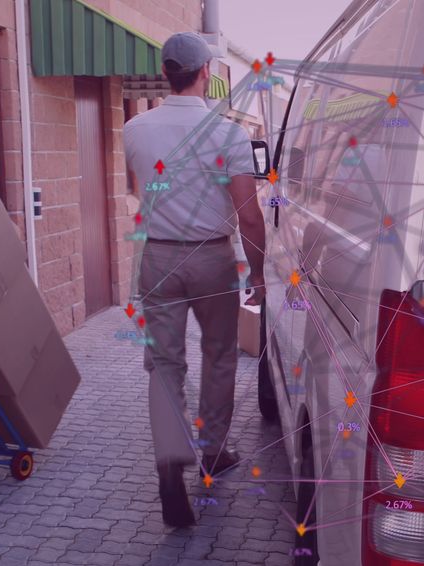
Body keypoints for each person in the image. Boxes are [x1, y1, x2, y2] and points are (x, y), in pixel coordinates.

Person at [123, 31, 266, 528]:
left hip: (158, 258)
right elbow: (249, 216)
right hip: (212, 258)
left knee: (164, 367)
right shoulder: (228, 134)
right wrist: (260, 274)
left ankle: (169, 470)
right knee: (219, 356)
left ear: (167, 73)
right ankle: (213, 451)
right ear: (207, 73)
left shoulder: (135, 129)